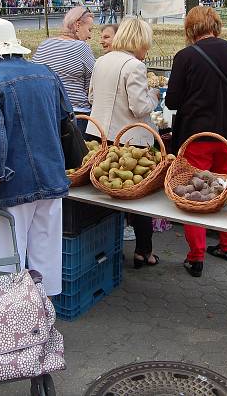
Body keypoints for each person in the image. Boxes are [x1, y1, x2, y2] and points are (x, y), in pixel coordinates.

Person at [0, 18, 68, 297]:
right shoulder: (46, 73)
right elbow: (66, 121)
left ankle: (14, 330)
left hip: (10, 187)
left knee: (6, 269)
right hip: (50, 178)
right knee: (46, 262)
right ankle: (42, 324)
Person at [166, 6, 227, 278]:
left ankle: (196, 257)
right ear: (215, 25)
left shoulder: (185, 57)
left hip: (198, 138)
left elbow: (172, 101)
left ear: (190, 30)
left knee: (194, 194)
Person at [87, 17, 160, 269]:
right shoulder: (134, 66)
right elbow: (139, 107)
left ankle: (106, 248)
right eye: (146, 44)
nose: (146, 50)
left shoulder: (100, 61)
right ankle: (143, 251)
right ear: (139, 41)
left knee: (102, 195)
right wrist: (154, 95)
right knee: (138, 196)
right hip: (129, 140)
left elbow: (92, 97)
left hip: (98, 135)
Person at [32, 6, 95, 134]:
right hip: (76, 115)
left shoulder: (44, 45)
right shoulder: (81, 48)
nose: (90, 36)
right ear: (77, 25)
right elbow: (92, 84)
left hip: (47, 111)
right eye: (89, 29)